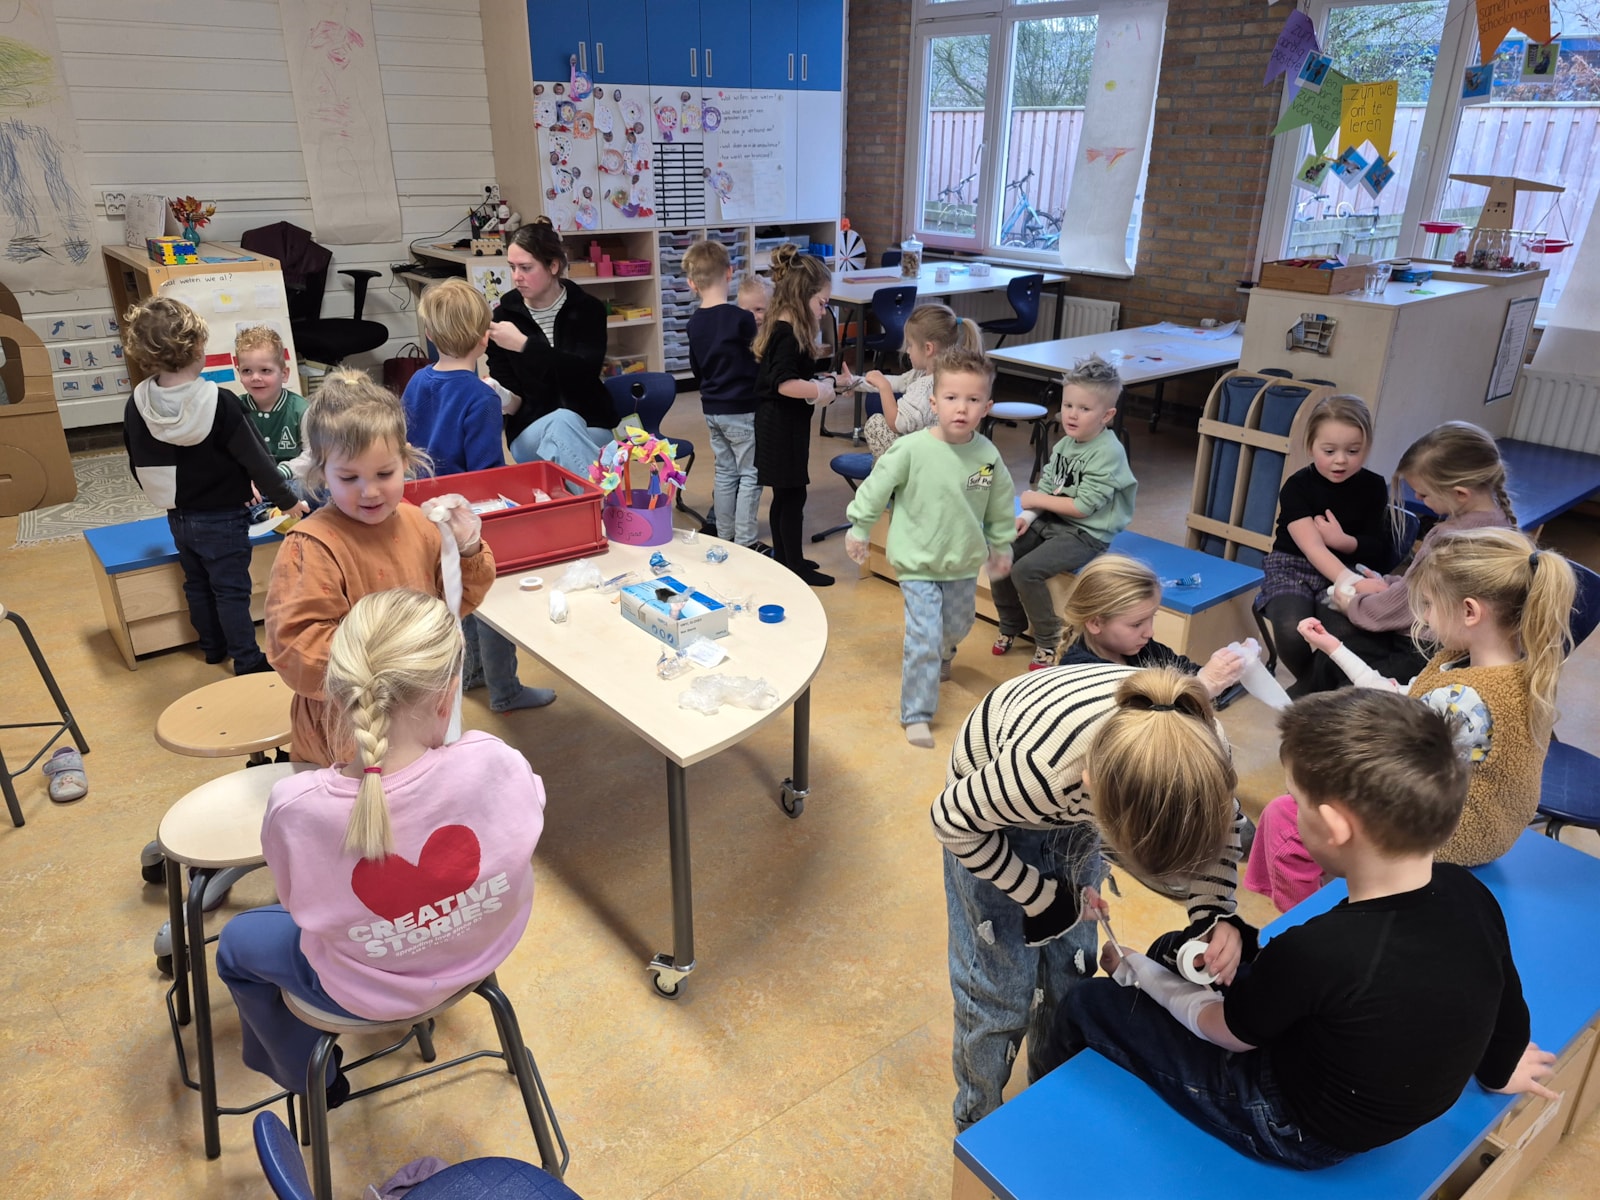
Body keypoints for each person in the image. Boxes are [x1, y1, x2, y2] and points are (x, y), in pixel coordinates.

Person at [1056, 688, 1556, 1169]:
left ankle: (1048, 1125)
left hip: (1295, 1130)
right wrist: (1499, 1070)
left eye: (1295, 800)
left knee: (1089, 1002)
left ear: (1335, 828)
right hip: (1361, 1087)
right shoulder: (1467, 891)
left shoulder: (1318, 950)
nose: (1288, 811)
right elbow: (1506, 1000)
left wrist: (1139, 972)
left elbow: (1227, 1034)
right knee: (1176, 948)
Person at [217, 588, 545, 1102]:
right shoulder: (494, 760)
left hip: (363, 991)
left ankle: (310, 1078)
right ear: (448, 693)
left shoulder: (296, 807)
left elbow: (299, 906)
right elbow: (527, 821)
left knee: (236, 943)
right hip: (481, 952)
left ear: (338, 693)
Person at [935, 664, 1248, 1130]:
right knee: (999, 993)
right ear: (1099, 804)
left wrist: (1215, 914)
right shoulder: (1042, 772)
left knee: (1071, 969)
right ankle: (977, 1122)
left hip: (1072, 793)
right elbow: (952, 822)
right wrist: (1041, 896)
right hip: (989, 817)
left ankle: (1050, 1087)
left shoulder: (1204, 752)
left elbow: (1221, 831)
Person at [1273, 526, 1574, 876]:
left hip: (1453, 838)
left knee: (1291, 817)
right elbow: (1402, 697)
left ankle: (1317, 900)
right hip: (1485, 823)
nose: (1425, 617)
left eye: (1429, 604)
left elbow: (1397, 753)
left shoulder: (1465, 700)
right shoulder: (1517, 666)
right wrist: (1335, 648)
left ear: (1470, 611)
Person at [264, 369, 496, 765]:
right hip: (347, 729)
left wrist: (466, 547)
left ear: (406, 460)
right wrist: (398, 669)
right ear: (321, 474)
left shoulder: (420, 525)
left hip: (418, 719)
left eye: (384, 474)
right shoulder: (312, 547)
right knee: (360, 800)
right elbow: (297, 651)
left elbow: (459, 604)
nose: (369, 491)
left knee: (416, 791)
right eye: (349, 477)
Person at [844, 346, 1017, 748]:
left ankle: (943, 654)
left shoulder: (987, 456)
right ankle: (917, 713)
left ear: (987, 407)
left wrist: (1001, 544)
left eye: (973, 399)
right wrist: (860, 527)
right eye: (952, 398)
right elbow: (876, 488)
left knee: (957, 625)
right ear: (935, 402)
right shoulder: (911, 449)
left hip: (962, 562)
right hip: (917, 560)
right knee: (924, 635)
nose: (962, 408)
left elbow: (999, 504)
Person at [121, 298, 305, 675]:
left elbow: (135, 461)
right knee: (231, 591)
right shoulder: (219, 403)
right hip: (224, 518)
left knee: (197, 584)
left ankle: (212, 648)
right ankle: (247, 660)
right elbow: (258, 463)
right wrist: (288, 502)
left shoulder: (138, 403)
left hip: (178, 515)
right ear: (197, 351)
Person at [403, 278, 555, 713]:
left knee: (454, 592)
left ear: (429, 334)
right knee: (489, 594)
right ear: (484, 337)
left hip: (422, 509)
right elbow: (486, 473)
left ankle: (471, 674)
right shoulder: (481, 397)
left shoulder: (416, 382)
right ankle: (505, 690)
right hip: (467, 514)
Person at [1300, 421, 1516, 692]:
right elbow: (1417, 589)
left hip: (1424, 647)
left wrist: (1353, 604)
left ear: (1460, 493)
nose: (1417, 497)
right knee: (1330, 659)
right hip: (1445, 641)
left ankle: (1302, 703)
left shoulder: (1449, 537)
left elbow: (1408, 603)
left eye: (1423, 494)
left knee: (1333, 640)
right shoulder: (1503, 523)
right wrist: (1388, 584)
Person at [989, 356, 1136, 670]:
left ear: (1107, 415)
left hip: (1087, 533)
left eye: (1084, 409)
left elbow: (1082, 508)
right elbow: (1049, 486)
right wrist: (1027, 516)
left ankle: (1049, 640)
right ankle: (1011, 623)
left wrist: (1033, 499)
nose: (1072, 414)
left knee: (1026, 570)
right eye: (1068, 405)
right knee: (1000, 554)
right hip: (1052, 521)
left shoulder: (1108, 452)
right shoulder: (1066, 444)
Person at [1255, 394, 1391, 694]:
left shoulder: (1373, 486)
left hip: (1349, 566)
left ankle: (1310, 694)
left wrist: (1344, 542)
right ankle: (1313, 692)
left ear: (1367, 447)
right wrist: (1353, 582)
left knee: (1346, 632)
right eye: (1329, 451)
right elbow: (1313, 548)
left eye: (1353, 451)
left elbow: (1379, 549)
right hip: (1293, 566)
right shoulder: (1297, 486)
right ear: (1310, 447)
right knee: (1291, 629)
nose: (1341, 460)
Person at [753, 244, 856, 587]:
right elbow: (784, 384)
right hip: (780, 427)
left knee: (787, 495)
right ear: (802, 295)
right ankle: (792, 564)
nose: (824, 311)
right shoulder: (786, 334)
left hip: (783, 424)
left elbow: (795, 377)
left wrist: (831, 382)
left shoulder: (786, 327)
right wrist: (820, 390)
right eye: (822, 303)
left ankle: (787, 558)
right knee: (792, 495)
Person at [486, 217, 614, 475]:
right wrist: (498, 394)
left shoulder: (589, 309)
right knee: (561, 422)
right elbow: (512, 397)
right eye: (512, 267)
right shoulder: (503, 318)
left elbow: (584, 372)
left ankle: (587, 499)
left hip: (590, 423)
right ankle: (602, 497)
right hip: (530, 430)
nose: (516, 277)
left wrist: (525, 346)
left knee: (566, 428)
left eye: (526, 268)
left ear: (553, 266)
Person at [1058, 553, 1243, 699]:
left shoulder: (1143, 649)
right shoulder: (1081, 673)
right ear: (1095, 623)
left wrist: (1230, 668)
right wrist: (1204, 686)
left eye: (1152, 618)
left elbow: (1185, 671)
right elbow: (1147, 721)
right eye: (1137, 624)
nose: (1149, 632)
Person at [685, 238, 761, 549]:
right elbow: (758, 358)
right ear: (730, 272)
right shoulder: (741, 318)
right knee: (751, 473)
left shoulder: (693, 323)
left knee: (725, 472)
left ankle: (726, 537)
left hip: (712, 408)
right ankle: (746, 541)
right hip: (742, 407)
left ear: (692, 284)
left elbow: (696, 368)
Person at [859, 303, 984, 459]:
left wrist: (884, 387)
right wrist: (853, 382)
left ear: (928, 348)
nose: (908, 350)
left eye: (910, 345)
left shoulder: (927, 387)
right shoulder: (940, 375)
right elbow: (897, 382)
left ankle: (894, 472)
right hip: (942, 454)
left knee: (875, 424)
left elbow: (895, 423)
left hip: (928, 459)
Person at [233, 324, 308, 482]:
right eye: (247, 371)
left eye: (265, 370)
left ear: (284, 374)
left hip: (292, 479)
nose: (255, 378)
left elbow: (314, 454)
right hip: (251, 481)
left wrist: (283, 472)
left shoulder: (301, 410)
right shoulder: (235, 408)